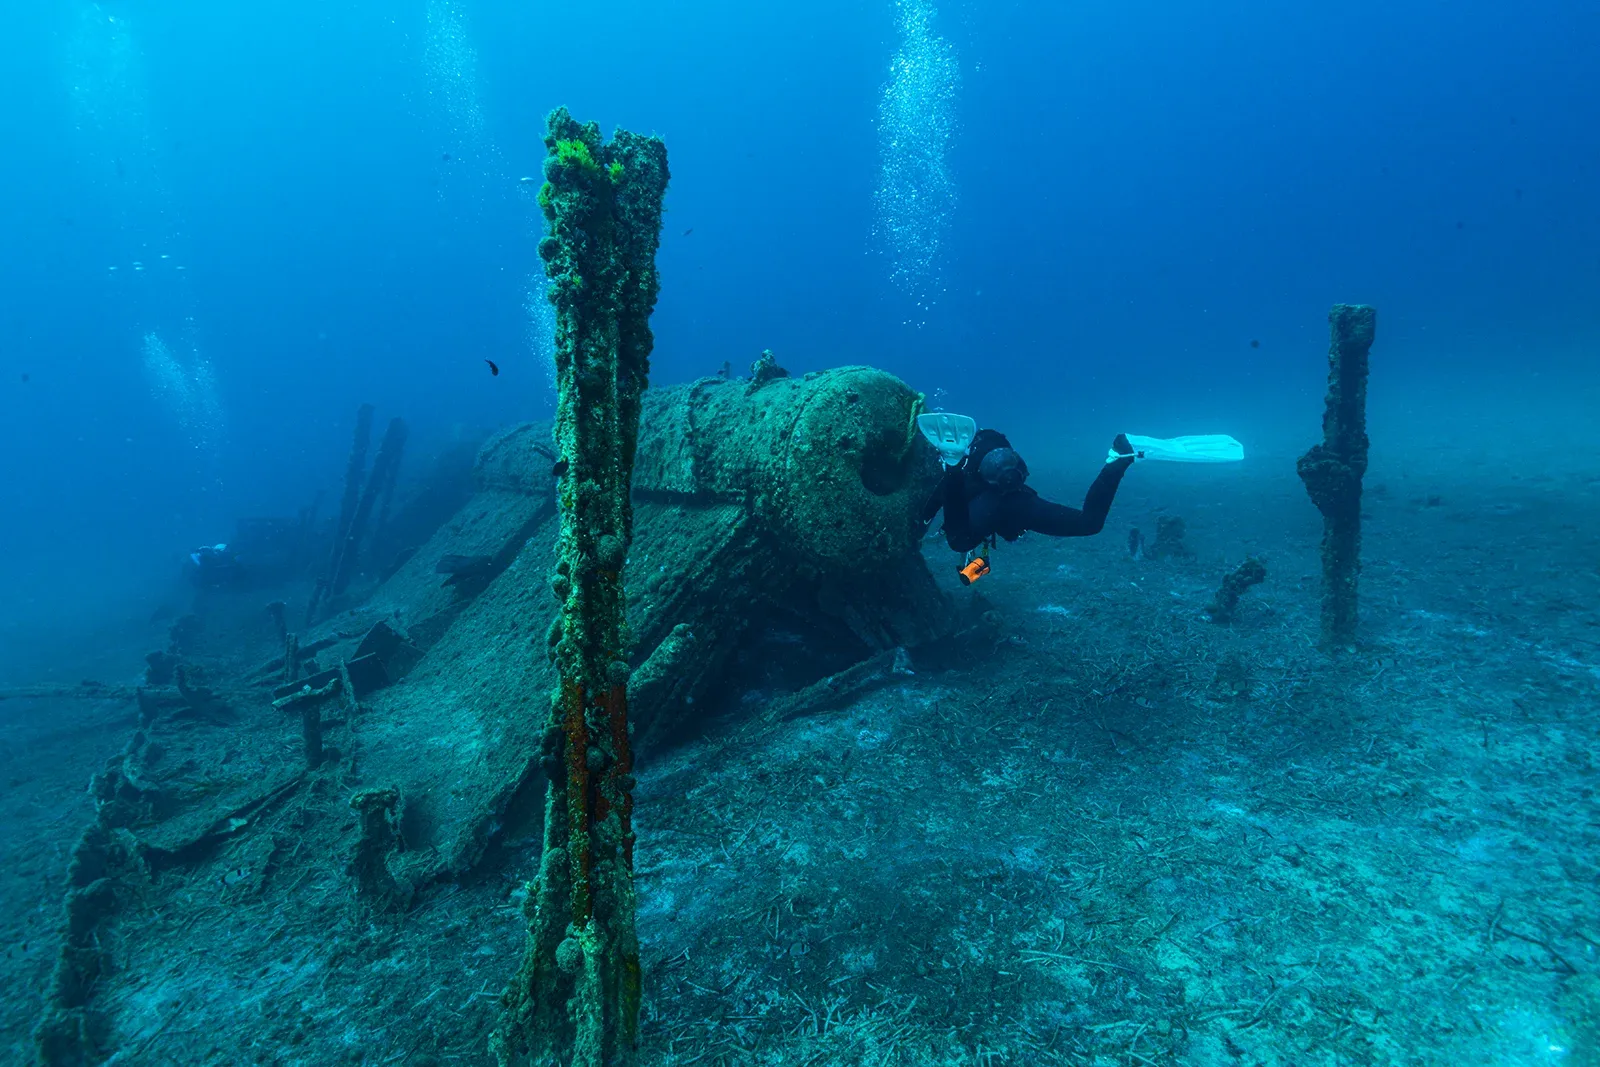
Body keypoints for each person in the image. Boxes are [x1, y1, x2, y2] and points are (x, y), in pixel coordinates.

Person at [922, 430, 1136, 556]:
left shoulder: (970, 486)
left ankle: (950, 466)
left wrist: (951, 475)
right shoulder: (1008, 497)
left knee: (960, 541)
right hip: (1015, 502)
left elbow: (940, 500)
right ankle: (1117, 460)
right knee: (1090, 522)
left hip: (1001, 503)